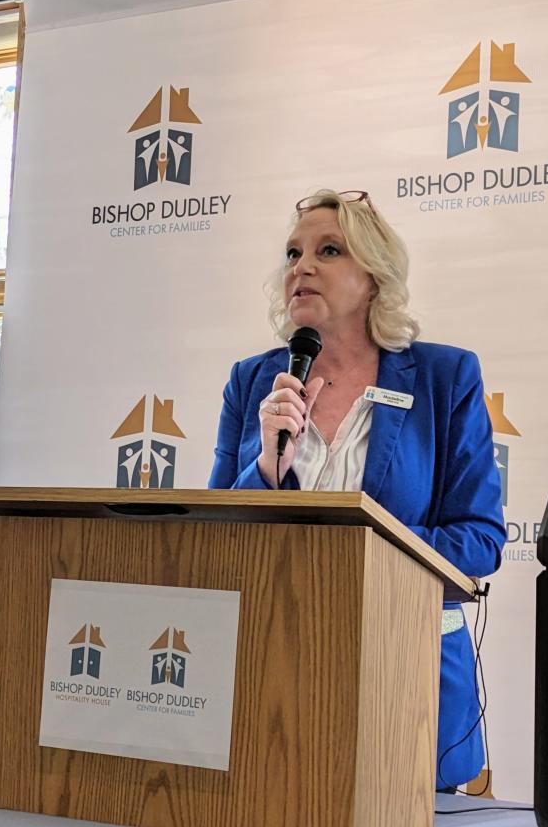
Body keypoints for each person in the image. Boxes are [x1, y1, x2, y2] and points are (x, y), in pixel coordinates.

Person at [208, 189, 506, 791]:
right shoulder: (252, 382)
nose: (302, 267)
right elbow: (214, 535)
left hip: (408, 681)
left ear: (374, 278)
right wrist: (266, 468)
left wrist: (355, 552)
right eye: (293, 253)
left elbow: (479, 542)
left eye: (329, 250)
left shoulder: (446, 378)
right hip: (276, 670)